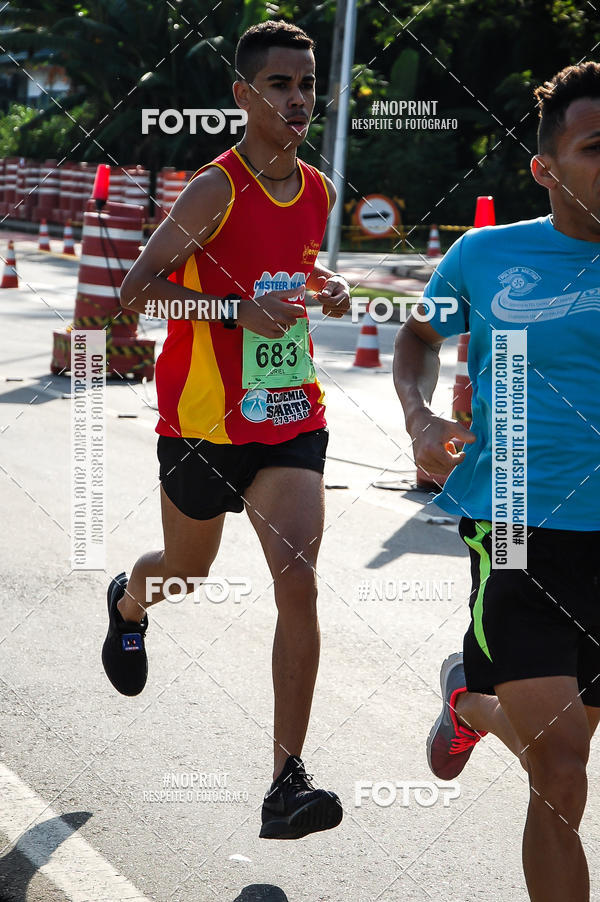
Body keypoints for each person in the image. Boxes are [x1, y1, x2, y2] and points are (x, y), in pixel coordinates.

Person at [101, 19, 350, 841]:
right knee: (186, 570)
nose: (299, 99)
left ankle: (287, 781)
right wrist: (233, 311)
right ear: (244, 96)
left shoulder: (316, 187)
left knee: (299, 575)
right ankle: (132, 602)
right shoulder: (215, 186)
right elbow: (138, 296)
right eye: (280, 84)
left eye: (308, 84)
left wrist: (326, 282)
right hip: (205, 421)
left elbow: (286, 260)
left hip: (287, 416)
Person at [393, 61, 600, 902]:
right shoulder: (487, 255)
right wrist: (418, 419)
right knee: (561, 765)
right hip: (516, 523)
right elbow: (414, 339)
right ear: (545, 169)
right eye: (597, 145)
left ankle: (468, 702)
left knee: (571, 738)